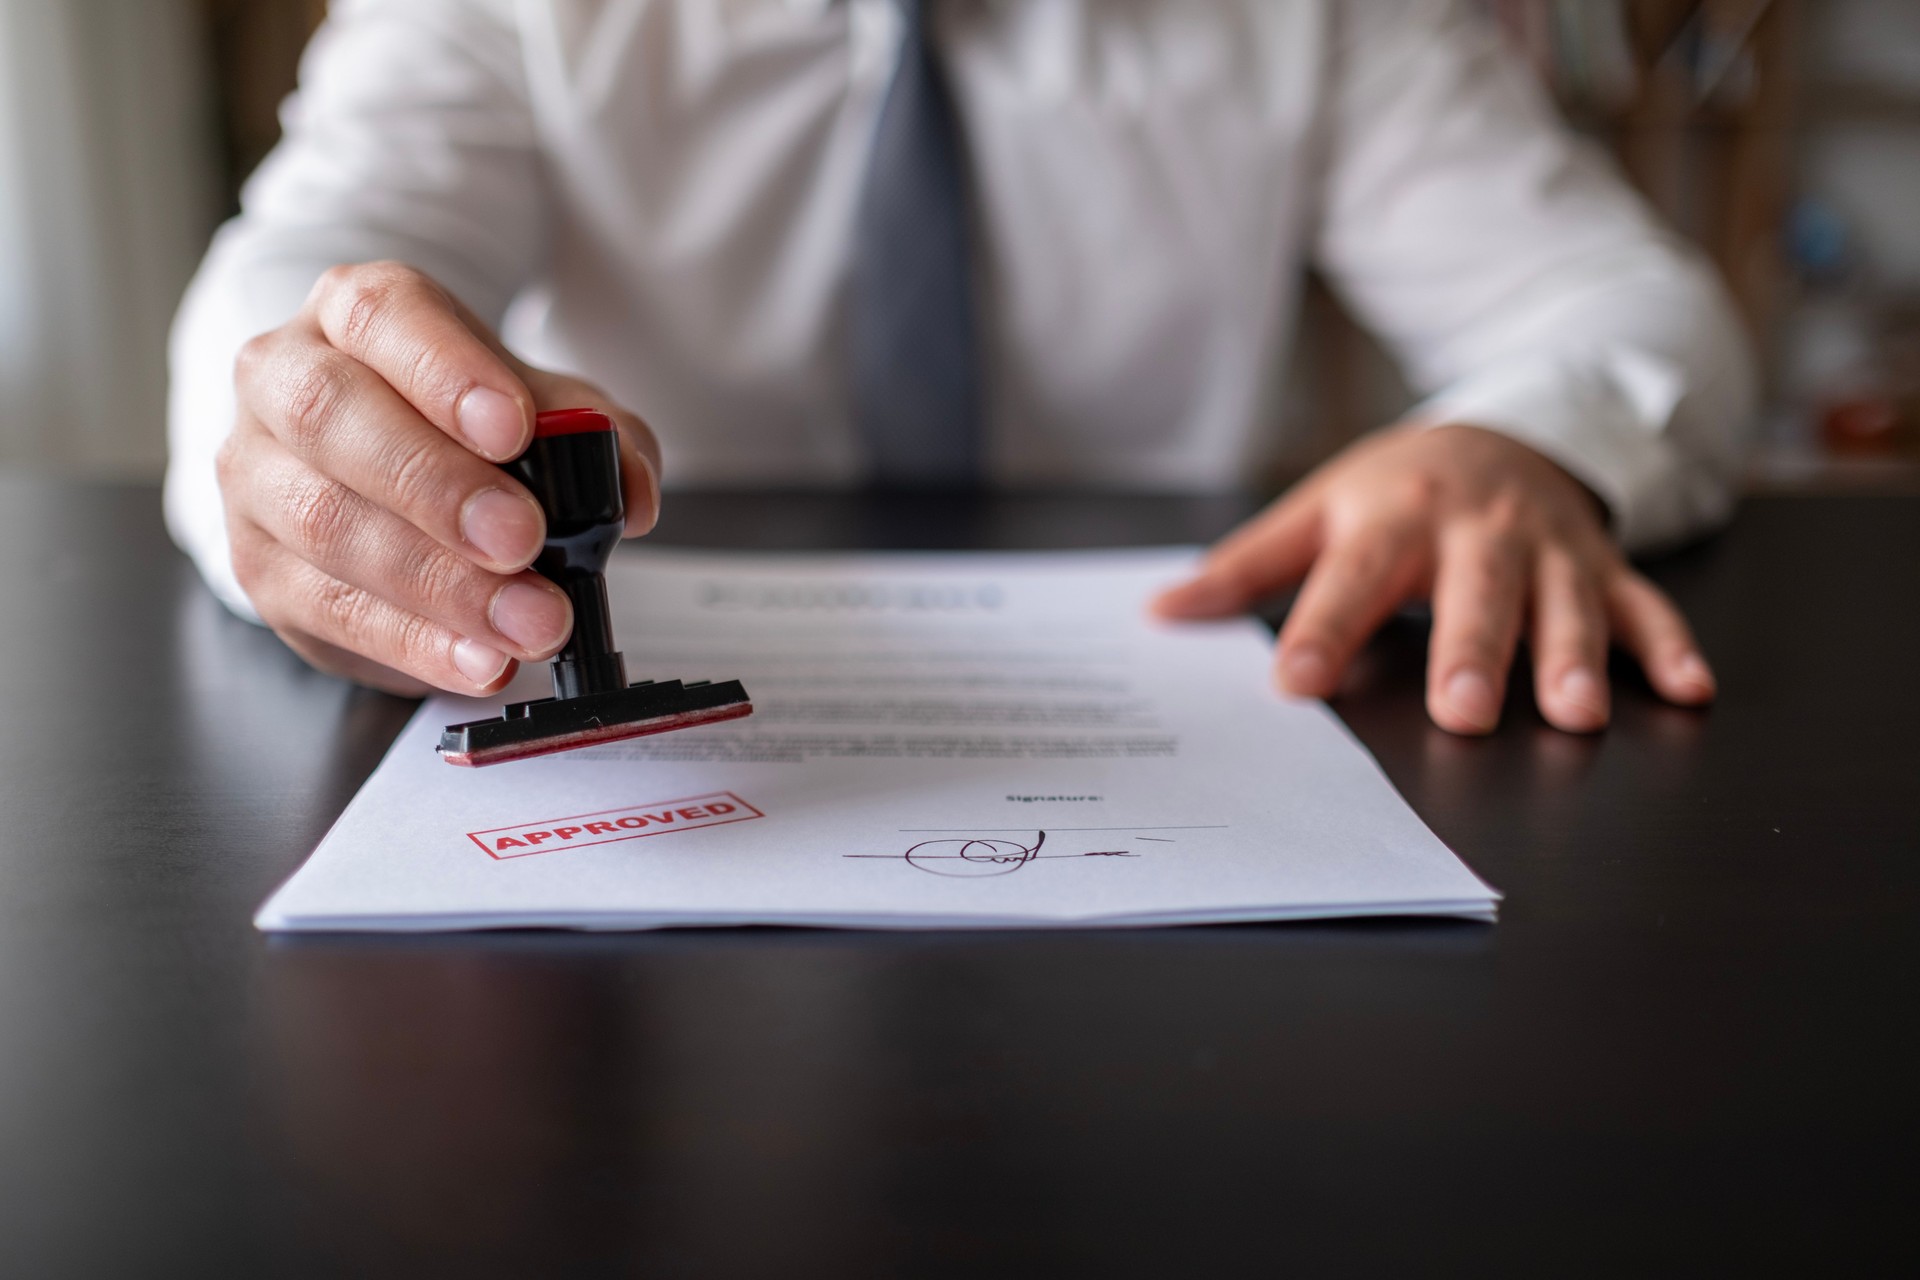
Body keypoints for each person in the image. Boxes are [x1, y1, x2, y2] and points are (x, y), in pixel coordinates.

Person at [167, 0, 1755, 736]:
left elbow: (1629, 312)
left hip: (1179, 708)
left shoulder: (1327, 18)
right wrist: (308, 454)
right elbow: (280, 300)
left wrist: (1520, 446)